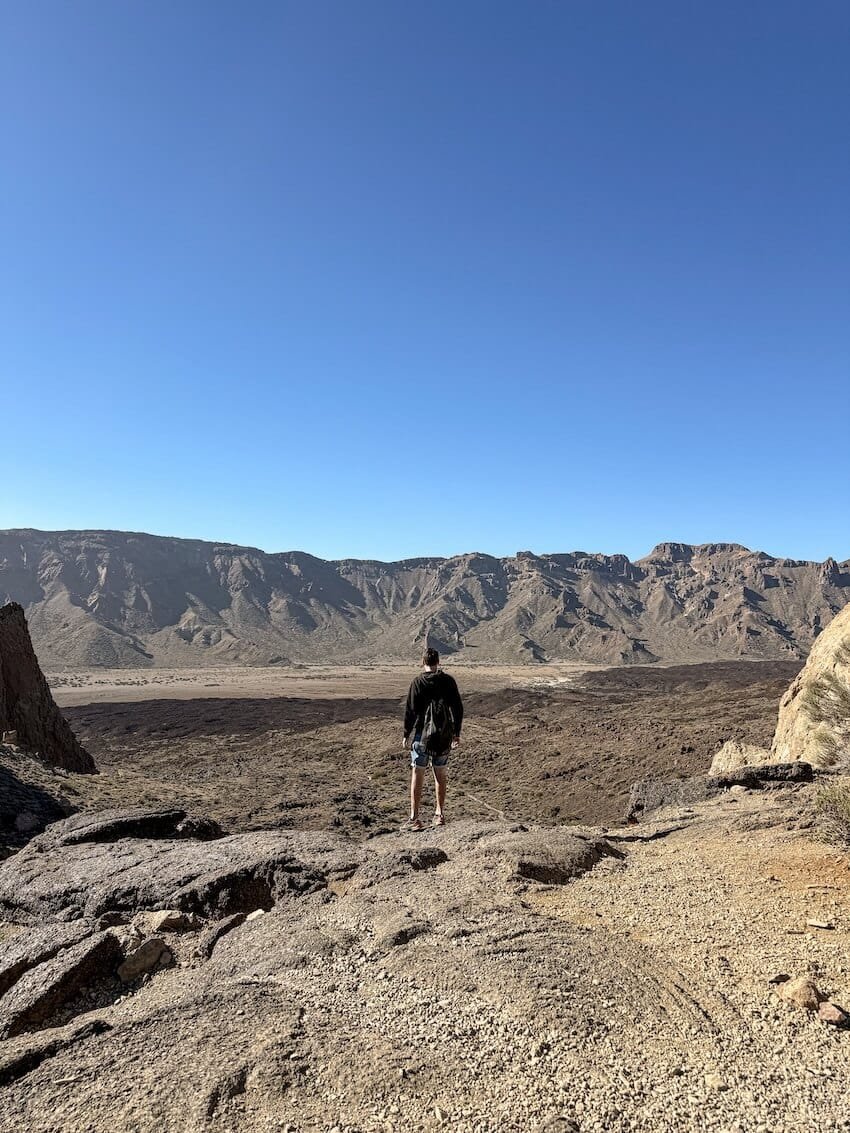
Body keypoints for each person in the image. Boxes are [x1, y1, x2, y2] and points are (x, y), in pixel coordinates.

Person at [402, 647, 463, 830]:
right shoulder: (448, 681)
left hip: (422, 736)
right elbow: (457, 708)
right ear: (438, 662)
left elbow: (410, 710)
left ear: (423, 662)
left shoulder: (418, 682)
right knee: (440, 773)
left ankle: (415, 818)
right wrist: (456, 733)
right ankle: (439, 814)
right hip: (443, 737)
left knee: (417, 774)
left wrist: (406, 734)